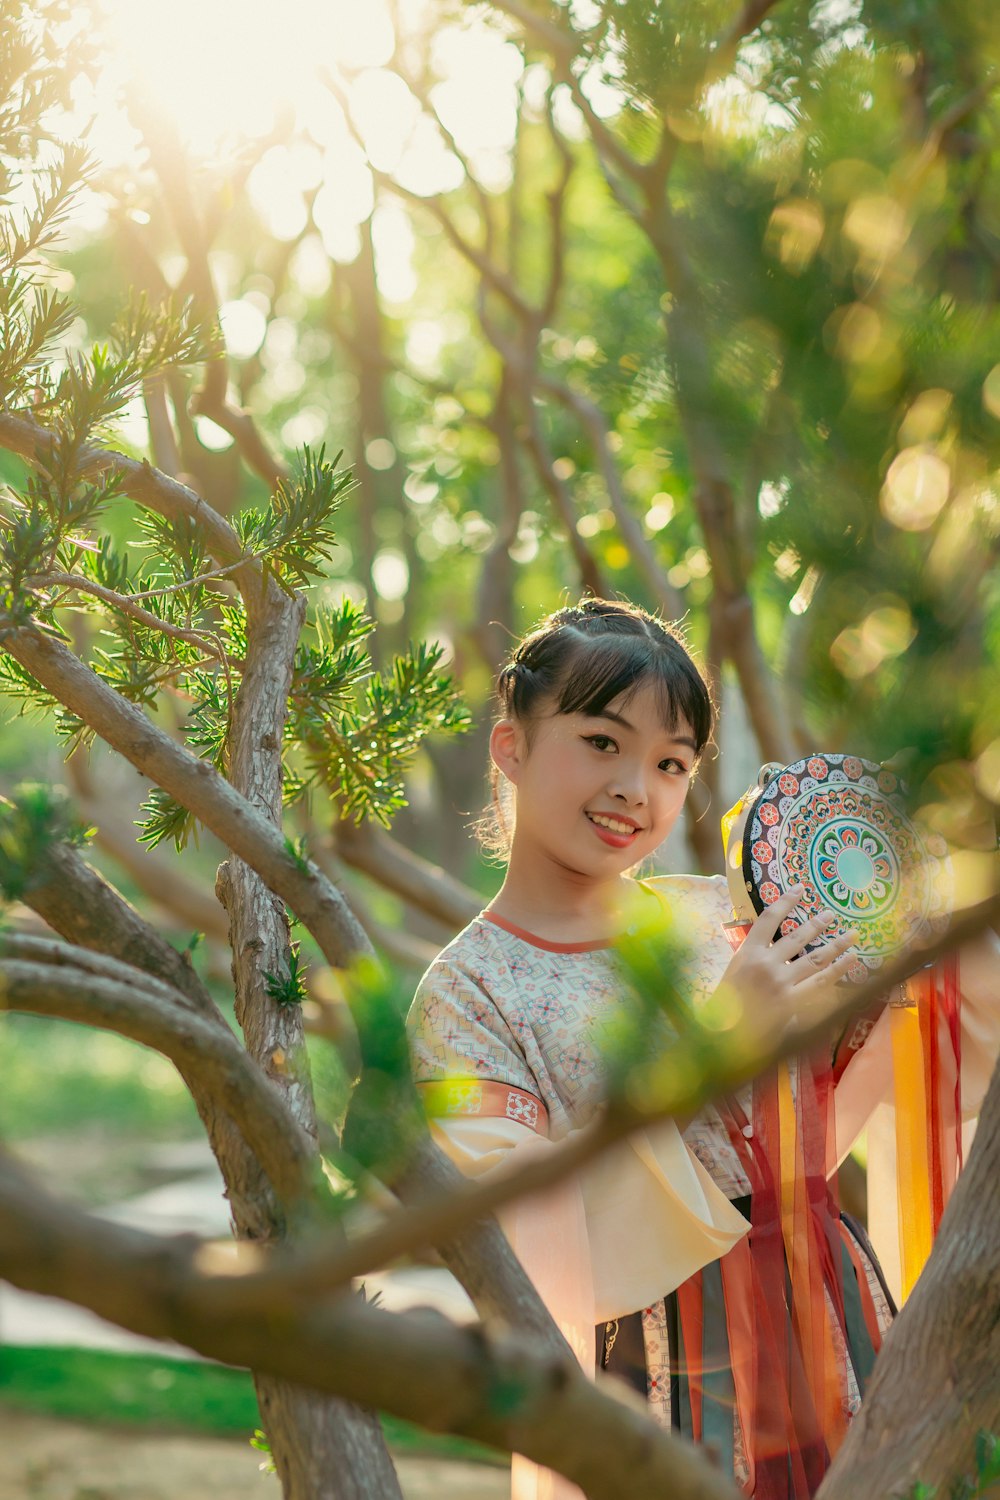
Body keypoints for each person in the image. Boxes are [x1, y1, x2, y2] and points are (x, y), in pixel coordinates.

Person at [406, 597, 999, 1500]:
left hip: (832, 1318)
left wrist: (894, 891)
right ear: (511, 748)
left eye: (670, 762)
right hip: (657, 1366)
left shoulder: (723, 918)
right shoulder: (466, 993)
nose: (634, 789)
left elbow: (846, 1088)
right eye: (602, 742)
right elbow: (522, 1232)